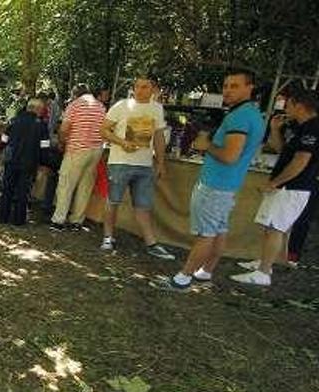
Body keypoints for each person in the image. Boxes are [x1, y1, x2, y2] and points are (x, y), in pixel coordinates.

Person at [162, 69, 265, 291]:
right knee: (218, 229)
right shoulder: (251, 114)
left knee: (206, 233)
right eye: (226, 85)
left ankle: (183, 278)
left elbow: (230, 156)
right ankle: (206, 270)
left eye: (235, 86)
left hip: (216, 184)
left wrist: (206, 145)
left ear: (250, 87)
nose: (227, 90)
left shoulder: (240, 116)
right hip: (227, 184)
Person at [230, 87, 319, 285]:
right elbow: (283, 151)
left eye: (288, 104)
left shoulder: (313, 128)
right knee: (269, 226)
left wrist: (275, 183)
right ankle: (264, 262)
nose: (285, 108)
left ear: (299, 105)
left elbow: (301, 161)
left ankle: (263, 273)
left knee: (276, 228)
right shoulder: (299, 126)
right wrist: (275, 129)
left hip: (294, 187)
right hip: (284, 185)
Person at [99, 76, 176, 260]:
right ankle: (108, 237)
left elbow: (158, 136)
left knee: (143, 205)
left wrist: (160, 162)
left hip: (144, 164)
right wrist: (122, 142)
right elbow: (103, 130)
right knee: (113, 201)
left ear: (153, 89)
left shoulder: (157, 108)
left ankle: (151, 243)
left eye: (145, 87)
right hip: (120, 162)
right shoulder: (121, 105)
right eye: (137, 86)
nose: (140, 90)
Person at [50, 83, 107, 230]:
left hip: (77, 149)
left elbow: (64, 129)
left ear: (75, 95)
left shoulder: (75, 105)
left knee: (66, 184)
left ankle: (58, 220)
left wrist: (62, 142)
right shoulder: (101, 107)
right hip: (96, 150)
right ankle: (77, 220)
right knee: (85, 186)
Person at [0, 98, 48, 225]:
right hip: (29, 162)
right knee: (23, 192)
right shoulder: (41, 125)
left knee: (7, 188)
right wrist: (43, 164)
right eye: (42, 109)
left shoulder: (14, 121)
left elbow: (4, 140)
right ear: (37, 109)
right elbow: (45, 147)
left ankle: (3, 216)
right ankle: (18, 220)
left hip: (11, 160)